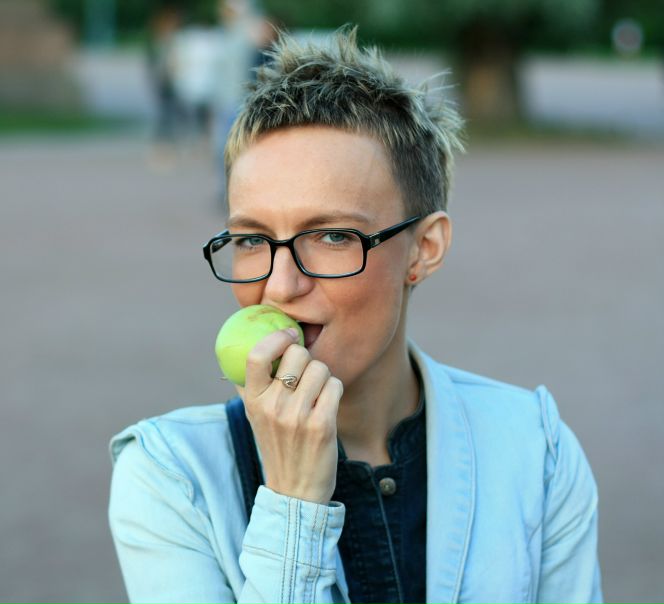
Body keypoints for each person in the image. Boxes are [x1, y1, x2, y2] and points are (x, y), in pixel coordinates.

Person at [108, 27, 603, 604]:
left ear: (424, 249)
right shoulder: (172, 477)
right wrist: (293, 506)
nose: (279, 286)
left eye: (333, 235)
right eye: (252, 239)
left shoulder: (535, 452)